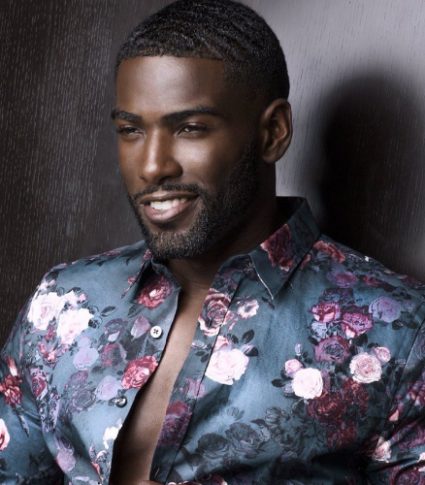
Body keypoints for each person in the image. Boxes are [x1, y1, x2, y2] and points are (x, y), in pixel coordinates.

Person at [1, 0, 425, 483]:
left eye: (190, 128)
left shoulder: (401, 333)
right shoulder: (62, 304)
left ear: (273, 132)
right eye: (131, 130)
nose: (153, 166)